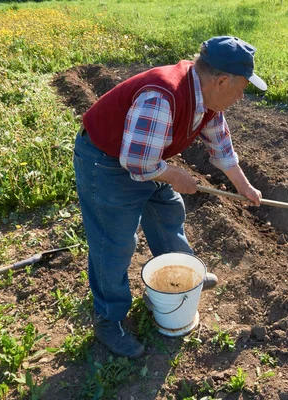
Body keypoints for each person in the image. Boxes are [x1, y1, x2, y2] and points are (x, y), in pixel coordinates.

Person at [73, 36, 266, 358]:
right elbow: (136, 162)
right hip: (105, 162)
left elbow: (221, 148)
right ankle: (109, 320)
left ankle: (182, 279)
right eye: (242, 88)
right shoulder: (162, 95)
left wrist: (244, 187)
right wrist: (173, 174)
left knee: (167, 210)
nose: (241, 96)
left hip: (143, 156)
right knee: (115, 243)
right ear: (221, 80)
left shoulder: (207, 99)